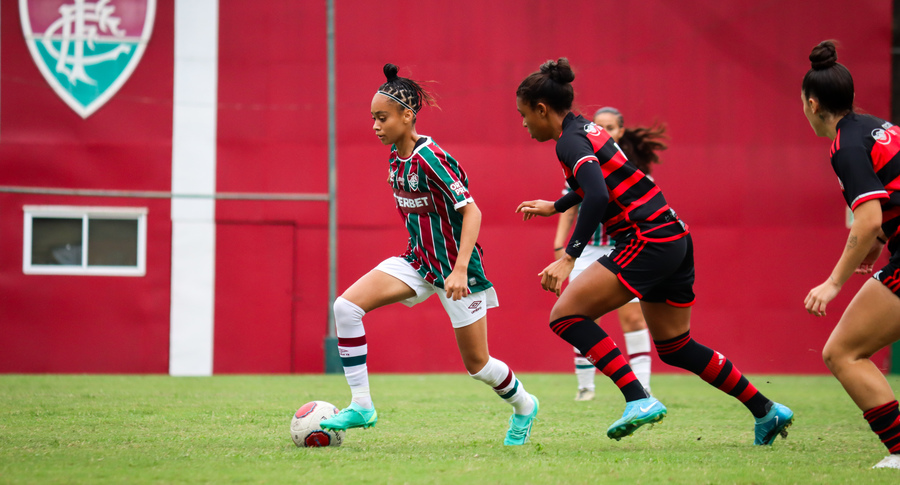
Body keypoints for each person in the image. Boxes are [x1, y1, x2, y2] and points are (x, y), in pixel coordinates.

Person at [514, 58, 793, 444]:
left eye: (524, 114)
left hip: (646, 238)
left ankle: (638, 399)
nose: (524, 123)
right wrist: (557, 206)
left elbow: (597, 194)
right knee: (676, 346)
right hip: (674, 236)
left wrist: (569, 256)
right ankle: (766, 409)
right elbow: (602, 181)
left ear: (542, 109)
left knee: (565, 316)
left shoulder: (569, 141)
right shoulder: (586, 128)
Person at [319, 64, 539, 446]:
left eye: (383, 118)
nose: (375, 126)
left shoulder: (431, 158)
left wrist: (459, 270)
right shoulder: (395, 158)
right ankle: (362, 406)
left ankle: (525, 405)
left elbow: (473, 212)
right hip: (418, 263)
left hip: (458, 273)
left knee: (478, 365)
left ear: (407, 116)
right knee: (345, 307)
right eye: (373, 118)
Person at [801, 40, 900, 470]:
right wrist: (876, 245)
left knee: (842, 352)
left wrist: (832, 283)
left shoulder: (846, 146)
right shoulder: (879, 127)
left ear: (812, 103)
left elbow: (868, 218)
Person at [555, 107, 666, 400]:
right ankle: (585, 388)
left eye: (611, 127)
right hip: (586, 250)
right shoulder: (581, 162)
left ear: (620, 132)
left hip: (624, 247)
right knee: (579, 314)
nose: (605, 131)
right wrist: (560, 246)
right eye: (599, 125)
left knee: (633, 318)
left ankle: (643, 386)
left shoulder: (631, 170)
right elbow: (571, 206)